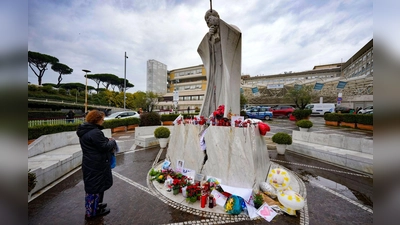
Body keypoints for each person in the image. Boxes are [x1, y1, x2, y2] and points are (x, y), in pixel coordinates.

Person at [198, 9, 242, 118]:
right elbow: (205, 50)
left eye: (210, 19)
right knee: (215, 91)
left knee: (225, 90)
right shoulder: (210, 35)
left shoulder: (229, 29)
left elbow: (236, 35)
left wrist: (219, 23)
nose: (209, 23)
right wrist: (209, 38)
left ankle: (226, 114)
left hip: (226, 66)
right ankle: (215, 114)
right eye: (207, 21)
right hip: (216, 68)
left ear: (216, 17)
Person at [76, 110, 117, 219]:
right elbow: (104, 147)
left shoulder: (85, 131)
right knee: (95, 187)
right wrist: (112, 141)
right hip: (97, 164)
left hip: (90, 162)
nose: (103, 121)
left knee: (96, 186)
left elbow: (96, 144)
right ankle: (92, 212)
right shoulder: (95, 132)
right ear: (97, 120)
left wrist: (105, 141)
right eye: (102, 119)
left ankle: (97, 205)